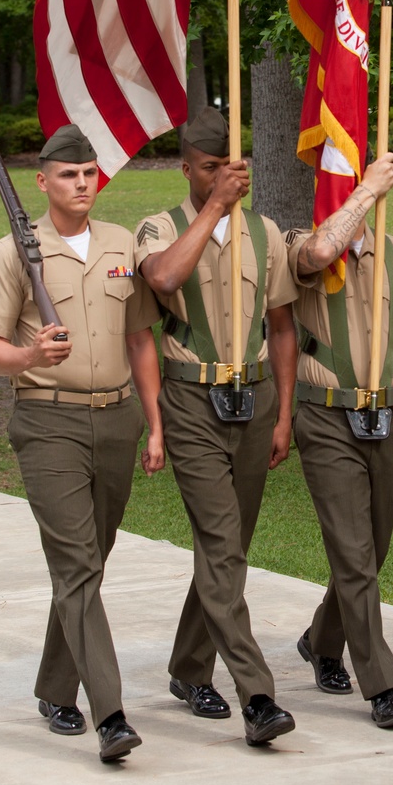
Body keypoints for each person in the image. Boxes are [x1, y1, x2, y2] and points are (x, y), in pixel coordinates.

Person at [0, 124, 163, 764]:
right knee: (77, 564)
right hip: (47, 422)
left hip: (116, 420)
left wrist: (153, 423)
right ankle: (110, 714)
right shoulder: (12, 252)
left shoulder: (118, 245)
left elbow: (140, 339)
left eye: (89, 174)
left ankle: (54, 686)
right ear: (43, 182)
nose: (81, 184)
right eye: (68, 175)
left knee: (89, 562)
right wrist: (30, 352)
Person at [135, 108, 299, 748]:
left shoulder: (266, 233)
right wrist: (214, 209)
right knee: (222, 544)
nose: (230, 176)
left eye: (237, 166)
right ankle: (257, 696)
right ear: (188, 169)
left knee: (226, 551)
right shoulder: (161, 227)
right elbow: (166, 277)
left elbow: (282, 326)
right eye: (213, 167)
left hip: (254, 399)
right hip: (192, 398)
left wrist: (284, 412)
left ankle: (187, 668)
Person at [287, 151, 393, 729]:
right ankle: (381, 684)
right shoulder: (299, 248)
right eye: (346, 183)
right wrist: (368, 190)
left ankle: (322, 640)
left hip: (392, 415)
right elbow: (323, 251)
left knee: (372, 549)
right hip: (328, 420)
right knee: (354, 554)